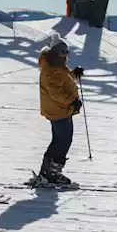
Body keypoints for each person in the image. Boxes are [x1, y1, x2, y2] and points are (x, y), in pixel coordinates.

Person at [32, 35, 85, 188]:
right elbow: (56, 92)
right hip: (60, 111)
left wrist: (74, 74)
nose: (65, 54)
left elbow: (64, 78)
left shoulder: (56, 65)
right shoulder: (51, 68)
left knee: (58, 141)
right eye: (62, 51)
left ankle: (46, 173)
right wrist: (72, 101)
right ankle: (53, 174)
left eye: (66, 51)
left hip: (60, 110)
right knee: (63, 142)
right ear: (54, 52)